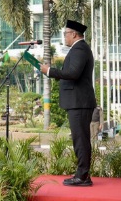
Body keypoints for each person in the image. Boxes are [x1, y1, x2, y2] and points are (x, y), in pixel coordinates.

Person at [41, 20, 96, 187]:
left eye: (65, 33)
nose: (64, 37)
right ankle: (82, 174)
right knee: (80, 139)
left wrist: (50, 71)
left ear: (74, 34)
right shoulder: (79, 49)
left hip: (79, 102)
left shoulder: (79, 48)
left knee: (80, 140)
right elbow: (71, 72)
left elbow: (74, 73)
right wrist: (57, 73)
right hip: (78, 101)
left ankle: (83, 176)